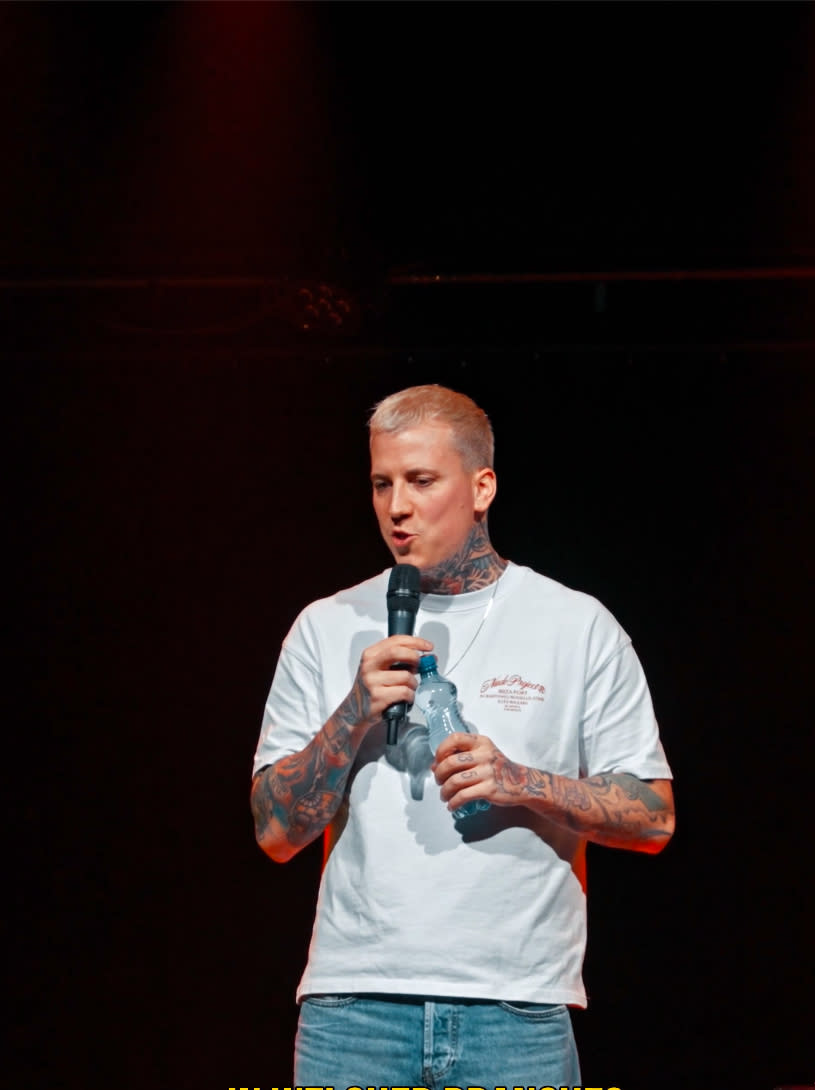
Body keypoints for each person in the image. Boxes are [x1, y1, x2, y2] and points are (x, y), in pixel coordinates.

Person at [250, 383, 675, 1088]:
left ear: (482, 488)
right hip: (354, 1010)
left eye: (421, 481)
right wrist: (352, 713)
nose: (396, 507)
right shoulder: (325, 626)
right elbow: (274, 832)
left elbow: (653, 818)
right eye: (381, 483)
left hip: (516, 1011)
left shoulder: (575, 625)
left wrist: (521, 782)